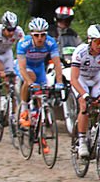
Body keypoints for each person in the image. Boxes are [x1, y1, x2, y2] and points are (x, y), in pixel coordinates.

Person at [15, 17, 66, 154]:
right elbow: (21, 68)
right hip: (26, 68)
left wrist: (60, 82)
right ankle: (24, 110)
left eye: (43, 35)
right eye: (36, 35)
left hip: (40, 68)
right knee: (30, 79)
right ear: (31, 35)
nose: (40, 38)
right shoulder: (23, 43)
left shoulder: (50, 42)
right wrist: (31, 83)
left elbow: (57, 64)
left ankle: (40, 134)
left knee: (42, 99)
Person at [70, 24, 100, 157]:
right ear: (90, 40)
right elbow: (73, 79)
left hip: (96, 78)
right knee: (84, 105)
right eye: (98, 41)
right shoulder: (80, 52)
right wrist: (84, 95)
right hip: (81, 79)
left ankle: (97, 130)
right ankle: (82, 140)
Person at [0, 10, 25, 117]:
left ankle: (12, 113)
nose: (11, 33)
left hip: (7, 53)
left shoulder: (19, 32)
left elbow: (24, 50)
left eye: (13, 30)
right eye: (9, 30)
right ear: (3, 27)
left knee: (10, 81)